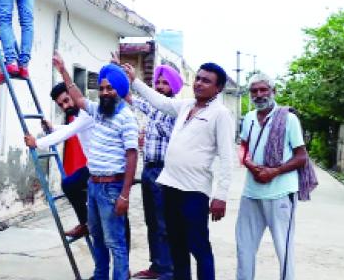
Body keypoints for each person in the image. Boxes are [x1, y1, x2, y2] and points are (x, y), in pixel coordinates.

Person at [125, 62, 234, 280]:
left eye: (206, 81)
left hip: (194, 191)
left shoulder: (220, 114)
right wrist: (134, 80)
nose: (199, 83)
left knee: (199, 247)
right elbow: (160, 101)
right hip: (169, 186)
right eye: (198, 78)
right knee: (176, 246)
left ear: (218, 88)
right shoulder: (186, 106)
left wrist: (220, 196)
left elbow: (227, 158)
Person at [53, 52, 138, 280]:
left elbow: (132, 156)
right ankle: (100, 276)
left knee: (115, 243)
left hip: (113, 188)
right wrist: (63, 70)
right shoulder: (99, 111)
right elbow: (79, 99)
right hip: (94, 185)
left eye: (109, 88)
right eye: (101, 88)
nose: (104, 92)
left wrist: (125, 195)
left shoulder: (127, 117)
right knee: (99, 239)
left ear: (119, 90)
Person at [236, 73, 318, 280]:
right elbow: (243, 147)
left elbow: (301, 157)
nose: (259, 94)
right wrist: (251, 165)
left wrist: (274, 171)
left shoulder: (288, 119)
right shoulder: (249, 118)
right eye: (254, 91)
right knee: (244, 246)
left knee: (284, 249)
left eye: (263, 90)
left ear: (273, 92)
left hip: (280, 193)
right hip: (251, 192)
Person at [130, 65, 184, 280]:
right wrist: (123, 76)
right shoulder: (153, 108)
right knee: (151, 221)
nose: (160, 87)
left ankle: (168, 269)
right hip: (148, 169)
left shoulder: (176, 110)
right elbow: (131, 99)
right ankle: (157, 265)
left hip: (164, 170)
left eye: (165, 83)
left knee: (164, 223)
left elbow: (175, 138)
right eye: (158, 83)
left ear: (173, 87)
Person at [46, 82, 91, 238]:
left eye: (66, 100)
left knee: (71, 184)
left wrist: (37, 143)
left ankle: (87, 222)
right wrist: (53, 128)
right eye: (61, 105)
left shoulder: (86, 111)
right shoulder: (77, 116)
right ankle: (86, 223)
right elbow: (71, 129)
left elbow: (68, 132)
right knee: (70, 184)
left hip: (104, 168)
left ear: (73, 94)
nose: (65, 106)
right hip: (93, 167)